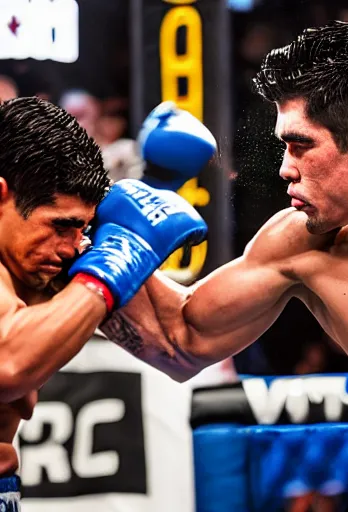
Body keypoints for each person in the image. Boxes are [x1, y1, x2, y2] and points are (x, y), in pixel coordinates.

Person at [101, 21, 348, 511]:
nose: (284, 168)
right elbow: (180, 341)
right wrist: (92, 232)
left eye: (300, 145)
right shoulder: (300, 246)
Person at [0, 97, 213, 510]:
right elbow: (8, 365)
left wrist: (292, 261)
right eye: (60, 225)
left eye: (81, 227)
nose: (72, 246)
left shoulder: (43, 263)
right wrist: (111, 269)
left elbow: (182, 348)